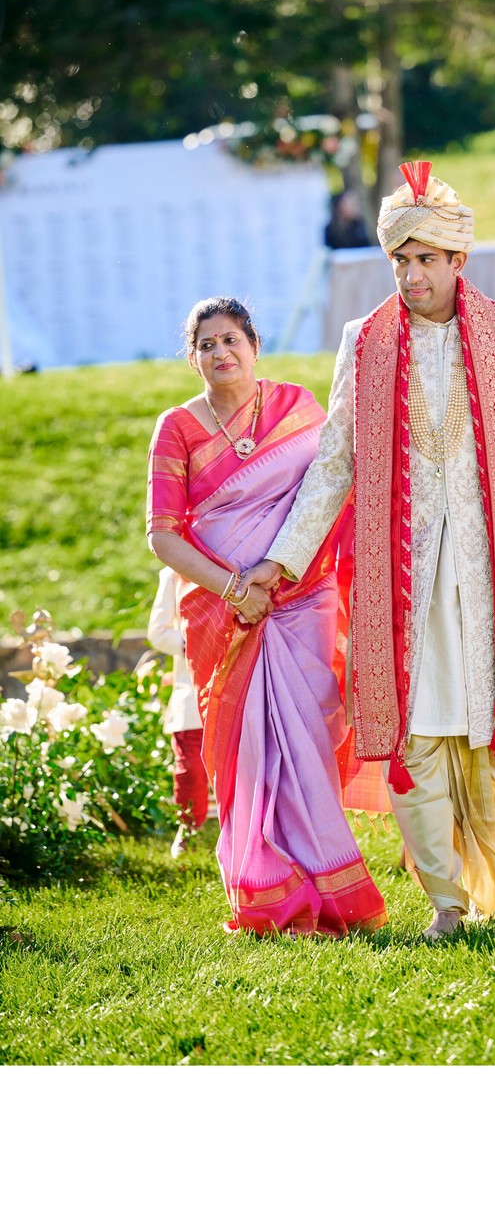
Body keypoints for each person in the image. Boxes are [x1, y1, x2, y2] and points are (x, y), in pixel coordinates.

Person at [243, 161, 495, 940]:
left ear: (458, 261)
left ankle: (487, 863)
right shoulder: (362, 342)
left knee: (491, 735)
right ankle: (444, 900)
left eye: (425, 259)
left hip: (489, 571)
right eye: (399, 260)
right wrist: (285, 558)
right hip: (395, 576)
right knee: (413, 729)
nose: (410, 274)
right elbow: (336, 460)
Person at [146, 296, 387, 937]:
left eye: (231, 340)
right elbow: (163, 536)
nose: (220, 353)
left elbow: (328, 495)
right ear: (192, 357)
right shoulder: (178, 428)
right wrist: (232, 588)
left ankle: (328, 883)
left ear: (254, 346)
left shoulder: (298, 409)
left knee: (305, 736)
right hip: (222, 614)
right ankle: (265, 888)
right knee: (246, 751)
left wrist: (276, 574)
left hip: (302, 597)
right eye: (206, 344)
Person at [146, 565, 208, 859]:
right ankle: (189, 828)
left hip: (235, 674)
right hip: (191, 684)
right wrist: (195, 643)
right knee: (190, 767)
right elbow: (158, 632)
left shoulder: (239, 556)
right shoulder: (171, 574)